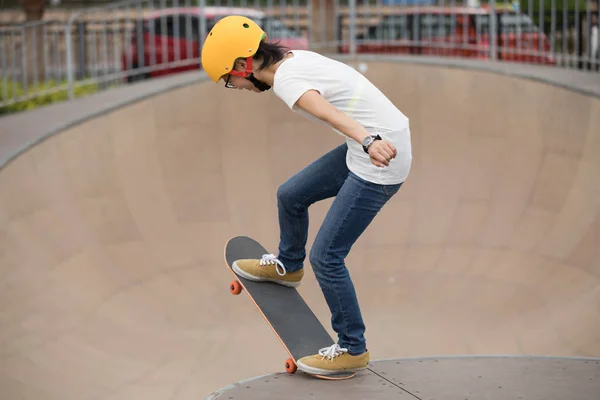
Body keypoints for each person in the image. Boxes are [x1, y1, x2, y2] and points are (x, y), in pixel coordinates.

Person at [201, 15, 412, 376]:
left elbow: (324, 110)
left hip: (379, 157)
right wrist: (363, 140)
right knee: (291, 195)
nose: (236, 88)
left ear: (242, 65)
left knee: (327, 257)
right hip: (365, 146)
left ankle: (351, 347)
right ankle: (288, 265)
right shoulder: (295, 59)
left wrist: (368, 141)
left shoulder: (287, 79)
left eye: (230, 82)